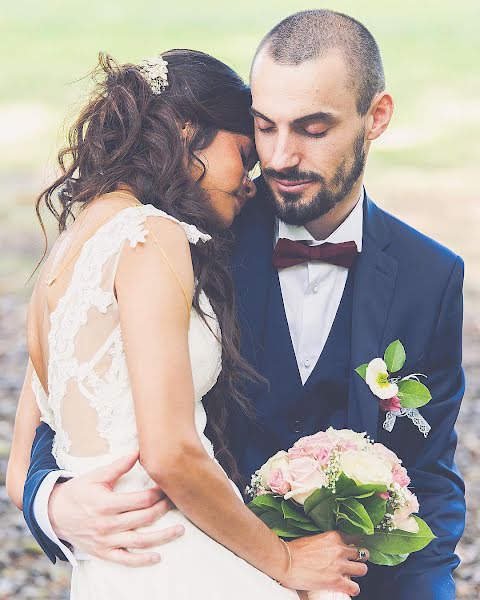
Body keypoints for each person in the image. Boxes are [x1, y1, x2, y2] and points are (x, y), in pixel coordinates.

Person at [12, 8, 466, 599]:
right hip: (203, 566)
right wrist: (52, 501)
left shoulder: (431, 276)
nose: (278, 158)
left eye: (313, 128)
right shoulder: (188, 229)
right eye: (264, 128)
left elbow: (428, 474)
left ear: (375, 117)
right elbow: (69, 384)